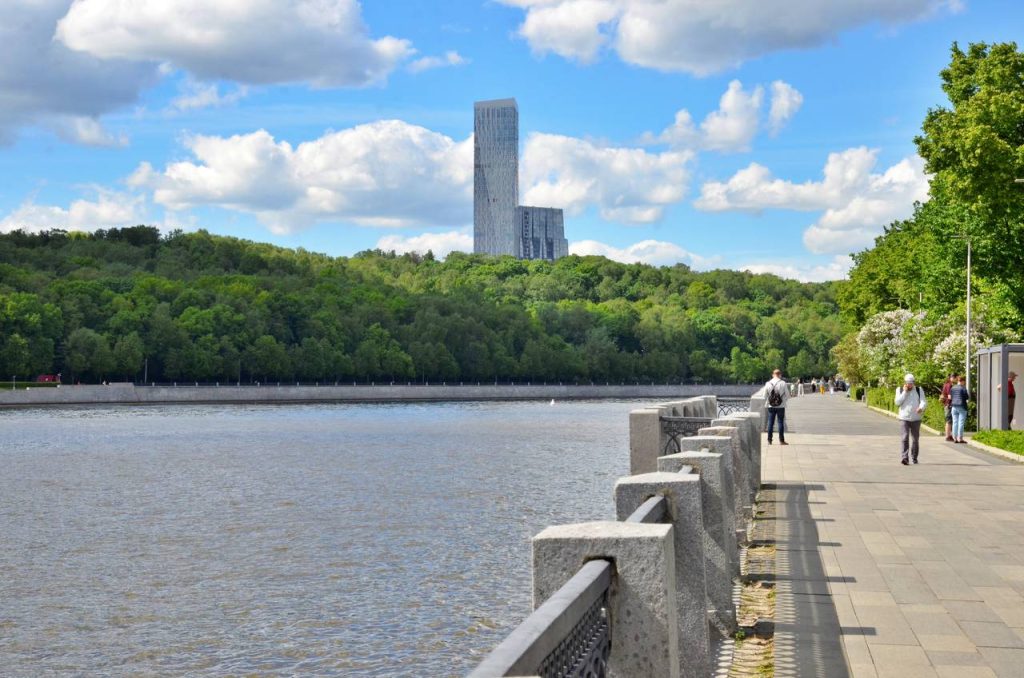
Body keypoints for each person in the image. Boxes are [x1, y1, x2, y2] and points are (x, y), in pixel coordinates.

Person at [895, 373, 926, 465]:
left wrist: (921, 407)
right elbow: (897, 402)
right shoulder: (900, 389)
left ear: (914, 382)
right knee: (904, 437)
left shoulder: (919, 390)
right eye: (908, 383)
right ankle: (905, 457)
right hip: (904, 417)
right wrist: (905, 392)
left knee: (915, 439)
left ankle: (914, 457)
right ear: (905, 383)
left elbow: (923, 401)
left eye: (911, 383)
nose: (910, 385)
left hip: (916, 418)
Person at [763, 368, 789, 446]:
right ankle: (781, 440)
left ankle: (769, 440)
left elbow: (764, 396)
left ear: (773, 375)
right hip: (781, 406)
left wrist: (770, 399)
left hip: (771, 405)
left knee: (770, 423)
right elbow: (788, 395)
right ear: (780, 375)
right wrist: (782, 400)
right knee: (780, 422)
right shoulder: (783, 383)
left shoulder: (768, 383)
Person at [949, 375, 970, 443]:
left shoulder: (953, 388)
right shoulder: (963, 388)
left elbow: (950, 397)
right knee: (961, 423)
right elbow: (967, 397)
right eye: (964, 381)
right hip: (962, 406)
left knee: (955, 422)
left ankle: (954, 438)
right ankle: (960, 438)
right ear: (962, 381)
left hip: (954, 406)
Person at [940, 373, 958, 442]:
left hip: (946, 404)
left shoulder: (946, 384)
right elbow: (950, 396)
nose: (956, 380)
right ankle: (948, 436)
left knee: (948, 420)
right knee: (949, 421)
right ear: (953, 377)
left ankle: (948, 435)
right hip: (949, 404)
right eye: (956, 378)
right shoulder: (949, 385)